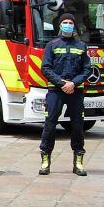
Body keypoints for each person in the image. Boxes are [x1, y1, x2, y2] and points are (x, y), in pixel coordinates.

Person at [39, 13, 91, 177]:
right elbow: (45, 68)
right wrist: (62, 83)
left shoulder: (81, 46)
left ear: (74, 26)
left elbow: (87, 69)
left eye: (70, 22)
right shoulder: (51, 45)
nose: (68, 25)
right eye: (65, 22)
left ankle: (78, 162)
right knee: (50, 124)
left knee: (77, 126)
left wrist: (73, 83)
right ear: (60, 25)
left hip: (75, 91)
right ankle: (45, 160)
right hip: (56, 91)